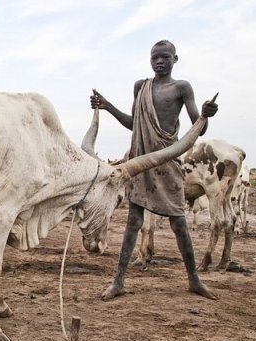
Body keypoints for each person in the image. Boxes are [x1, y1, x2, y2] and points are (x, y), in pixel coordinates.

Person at [90, 40, 219, 301]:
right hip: (140, 162)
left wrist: (206, 113)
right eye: (154, 58)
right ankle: (118, 282)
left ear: (175, 59)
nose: (159, 62)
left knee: (179, 223)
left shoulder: (182, 88)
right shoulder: (141, 86)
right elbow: (133, 124)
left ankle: (194, 279)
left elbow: (199, 129)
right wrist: (106, 105)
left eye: (165, 57)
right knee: (133, 223)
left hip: (166, 160)